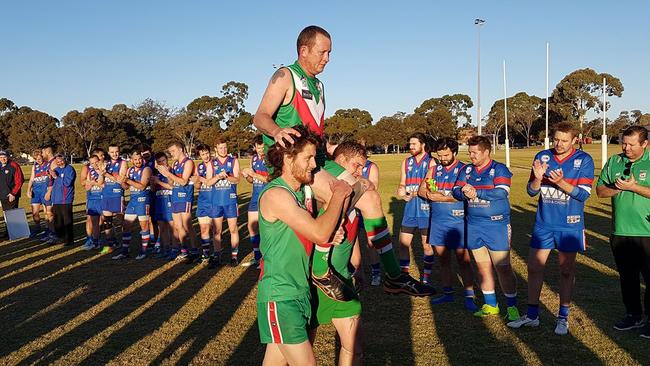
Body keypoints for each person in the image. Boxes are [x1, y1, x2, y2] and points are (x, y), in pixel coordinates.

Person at [253, 25, 432, 297]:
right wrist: (277, 132)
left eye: (330, 53)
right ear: (304, 50)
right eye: (322, 52)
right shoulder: (285, 76)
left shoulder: (319, 85)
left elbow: (314, 131)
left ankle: (394, 275)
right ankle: (321, 268)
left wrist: (332, 147)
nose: (327, 58)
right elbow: (260, 117)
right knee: (341, 193)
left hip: (317, 157)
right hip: (292, 161)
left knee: (370, 195)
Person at [256, 126, 351, 366]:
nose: (313, 165)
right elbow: (319, 232)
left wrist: (329, 235)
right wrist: (338, 194)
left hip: (298, 293)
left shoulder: (299, 195)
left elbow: (315, 232)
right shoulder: (277, 195)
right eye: (308, 158)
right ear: (288, 158)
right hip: (280, 296)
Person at [507, 122, 595, 335]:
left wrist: (561, 183)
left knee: (566, 271)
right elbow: (530, 191)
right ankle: (532, 316)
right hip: (543, 224)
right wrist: (537, 179)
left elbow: (583, 194)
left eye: (564, 140)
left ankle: (563, 317)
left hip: (569, 225)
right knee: (534, 268)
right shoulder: (542, 156)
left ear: (575, 140)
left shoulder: (583, 160)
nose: (559, 144)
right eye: (556, 139)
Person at [311, 140, 368, 365]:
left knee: (353, 346)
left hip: (343, 279)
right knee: (304, 346)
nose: (360, 172)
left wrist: (359, 266)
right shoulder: (324, 195)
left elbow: (352, 237)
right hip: (316, 281)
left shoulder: (353, 199)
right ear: (341, 161)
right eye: (356, 166)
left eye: (363, 167)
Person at [452, 136, 519, 321]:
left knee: (503, 268)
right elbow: (455, 191)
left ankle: (512, 307)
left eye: (475, 152)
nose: (471, 155)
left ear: (486, 152)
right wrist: (463, 192)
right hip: (474, 225)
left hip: (496, 225)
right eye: (470, 152)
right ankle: (491, 304)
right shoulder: (466, 170)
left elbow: (501, 192)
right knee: (482, 267)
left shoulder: (499, 169)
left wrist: (477, 192)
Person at [596, 125, 650, 339]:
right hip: (620, 231)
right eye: (623, 143)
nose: (626, 148)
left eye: (631, 144)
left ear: (644, 144)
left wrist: (634, 187)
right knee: (627, 277)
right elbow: (600, 191)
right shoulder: (614, 162)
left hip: (647, 231)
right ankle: (633, 315)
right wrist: (619, 188)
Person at [418, 137, 477, 311]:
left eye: (446, 155)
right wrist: (429, 195)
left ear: (455, 152)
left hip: (458, 221)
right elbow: (422, 189)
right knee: (443, 259)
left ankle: (469, 296)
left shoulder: (465, 169)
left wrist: (442, 198)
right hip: (437, 221)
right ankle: (448, 293)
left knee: (463, 260)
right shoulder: (434, 169)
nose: (442, 159)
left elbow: (466, 194)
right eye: (440, 155)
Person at [397, 133, 435, 284]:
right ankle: (404, 276)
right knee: (403, 244)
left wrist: (417, 192)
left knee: (427, 246)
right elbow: (402, 184)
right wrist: (401, 192)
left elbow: (433, 188)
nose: (411, 147)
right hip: (410, 210)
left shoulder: (432, 162)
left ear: (423, 144)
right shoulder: (406, 162)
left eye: (414, 144)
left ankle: (425, 278)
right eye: (410, 144)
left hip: (426, 210)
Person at [157, 141, 197, 260]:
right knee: (178, 226)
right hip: (175, 196)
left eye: (173, 151)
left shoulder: (188, 162)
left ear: (180, 150)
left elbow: (184, 181)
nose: (171, 154)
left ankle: (194, 250)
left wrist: (168, 173)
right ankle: (184, 250)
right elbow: (172, 183)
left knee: (187, 225)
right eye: (170, 152)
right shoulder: (175, 164)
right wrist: (166, 173)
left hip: (185, 196)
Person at [113, 151, 152, 260]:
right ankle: (125, 251)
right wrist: (121, 181)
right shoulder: (129, 170)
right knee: (126, 225)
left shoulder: (146, 169)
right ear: (131, 160)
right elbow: (126, 187)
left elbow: (142, 186)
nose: (138, 161)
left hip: (143, 200)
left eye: (139, 159)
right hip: (133, 200)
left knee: (144, 226)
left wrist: (127, 180)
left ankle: (144, 251)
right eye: (135, 159)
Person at [209, 139, 240, 265]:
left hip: (230, 201)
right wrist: (217, 176)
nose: (223, 150)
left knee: (233, 229)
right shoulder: (212, 163)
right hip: (216, 201)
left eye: (225, 147)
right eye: (221, 148)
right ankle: (217, 256)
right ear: (216, 149)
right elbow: (208, 182)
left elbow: (237, 180)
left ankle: (234, 256)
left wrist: (227, 176)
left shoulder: (233, 161)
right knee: (217, 231)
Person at [241, 135, 269, 268]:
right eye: (259, 147)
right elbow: (252, 181)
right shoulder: (253, 159)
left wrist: (253, 174)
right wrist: (247, 176)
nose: (261, 150)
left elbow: (270, 179)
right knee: (251, 227)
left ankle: (266, 259)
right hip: (255, 197)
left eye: (263, 147)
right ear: (255, 148)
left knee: (266, 229)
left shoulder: (270, 160)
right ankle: (257, 257)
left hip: (267, 198)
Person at [99, 144, 128, 253]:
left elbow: (120, 179)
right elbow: (101, 181)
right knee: (107, 222)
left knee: (121, 221)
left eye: (116, 151)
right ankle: (111, 243)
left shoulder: (123, 163)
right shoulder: (106, 163)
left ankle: (125, 244)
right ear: (108, 152)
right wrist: (101, 173)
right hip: (106, 194)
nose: (114, 154)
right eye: (112, 152)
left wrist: (106, 173)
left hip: (117, 194)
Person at [193, 144, 218, 265]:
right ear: (199, 156)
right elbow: (198, 186)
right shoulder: (199, 167)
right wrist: (197, 182)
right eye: (202, 154)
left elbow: (210, 182)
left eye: (207, 153)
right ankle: (206, 253)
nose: (205, 156)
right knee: (204, 228)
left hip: (214, 200)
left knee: (215, 229)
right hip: (203, 201)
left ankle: (216, 253)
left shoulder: (216, 164)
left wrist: (203, 180)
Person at [46, 153, 75, 246]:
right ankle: (60, 238)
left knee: (67, 220)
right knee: (58, 221)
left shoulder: (70, 169)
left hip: (65, 199)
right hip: (56, 199)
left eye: (61, 161)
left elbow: (67, 183)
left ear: (65, 160)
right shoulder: (56, 170)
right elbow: (51, 183)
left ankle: (69, 240)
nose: (60, 163)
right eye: (57, 162)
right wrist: (50, 176)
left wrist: (55, 177)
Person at [150, 152, 175, 257]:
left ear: (167, 160)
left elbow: (172, 186)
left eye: (163, 161)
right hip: (159, 202)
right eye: (159, 162)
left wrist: (159, 182)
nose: (161, 163)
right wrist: (152, 182)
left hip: (169, 201)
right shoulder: (156, 173)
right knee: (162, 228)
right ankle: (166, 249)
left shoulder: (171, 171)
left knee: (172, 228)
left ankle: (175, 249)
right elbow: (153, 189)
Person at [81, 154, 104, 250]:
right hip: (92, 199)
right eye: (92, 163)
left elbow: (104, 185)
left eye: (96, 162)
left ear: (100, 160)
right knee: (94, 222)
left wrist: (94, 183)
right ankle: (95, 242)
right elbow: (86, 186)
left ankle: (111, 241)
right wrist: (89, 183)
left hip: (102, 198)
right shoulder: (89, 172)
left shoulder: (104, 171)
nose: (94, 164)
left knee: (105, 221)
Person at [26, 149, 51, 237]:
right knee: (35, 212)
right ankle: (37, 228)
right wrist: (28, 189)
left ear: (43, 157)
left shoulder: (48, 164)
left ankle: (48, 229)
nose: (38, 160)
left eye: (39, 158)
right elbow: (32, 179)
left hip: (45, 191)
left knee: (46, 212)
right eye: (36, 159)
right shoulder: (34, 166)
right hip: (36, 192)